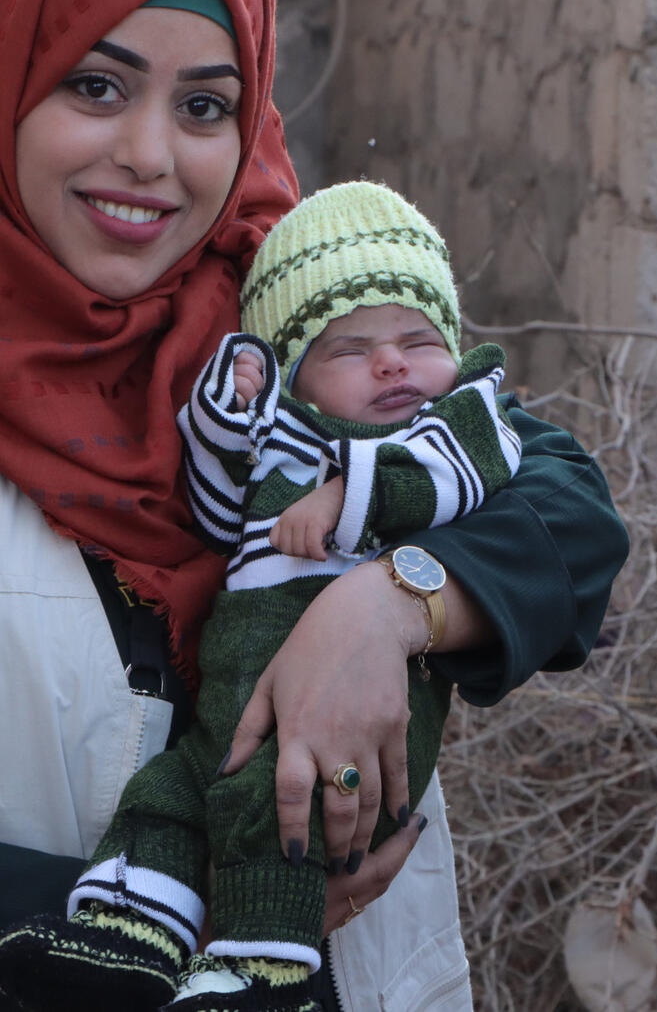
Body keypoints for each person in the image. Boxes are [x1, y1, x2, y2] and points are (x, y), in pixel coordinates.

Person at [0, 0, 629, 1012]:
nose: (148, 154)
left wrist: (390, 605)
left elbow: (566, 508)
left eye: (203, 106)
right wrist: (227, 902)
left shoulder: (291, 324)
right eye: (94, 84)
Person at [0, 180, 523, 1012]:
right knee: (173, 794)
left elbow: (454, 474)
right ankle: (126, 935)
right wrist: (231, 404)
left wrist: (346, 498)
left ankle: (262, 971)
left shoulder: (454, 417)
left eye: (419, 338)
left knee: (274, 812)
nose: (392, 362)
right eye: (350, 349)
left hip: (350, 726)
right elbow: (212, 510)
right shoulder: (290, 433)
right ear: (301, 376)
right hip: (236, 693)